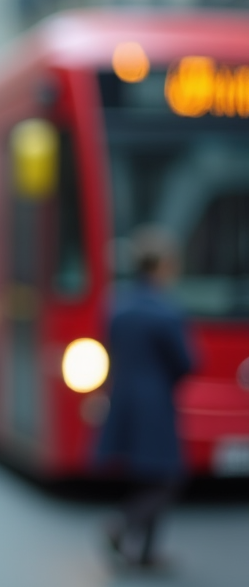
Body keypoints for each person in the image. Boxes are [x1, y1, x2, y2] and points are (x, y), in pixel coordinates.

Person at [96, 227, 193, 569]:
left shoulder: (117, 307)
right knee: (168, 478)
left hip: (124, 400)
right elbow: (185, 361)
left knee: (146, 475)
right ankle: (123, 525)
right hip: (155, 405)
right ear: (163, 266)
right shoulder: (166, 312)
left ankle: (147, 554)